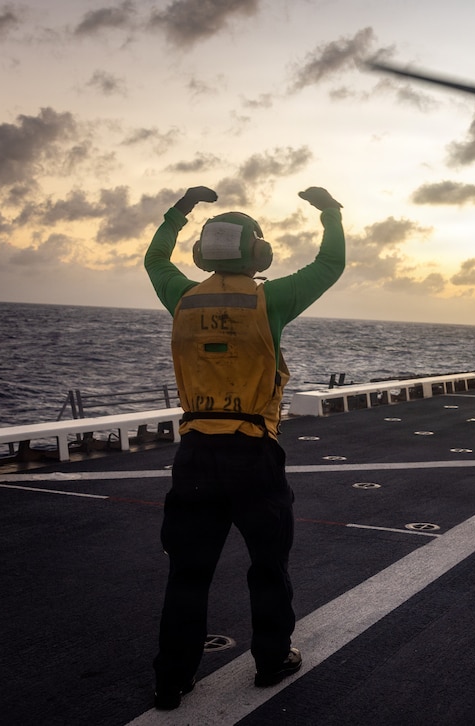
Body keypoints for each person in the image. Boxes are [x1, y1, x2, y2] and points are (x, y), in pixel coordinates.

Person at [144, 184, 345, 710]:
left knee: (188, 573)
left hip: (194, 454)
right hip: (253, 452)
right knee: (267, 565)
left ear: (202, 252)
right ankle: (272, 659)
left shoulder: (181, 295)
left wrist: (179, 211)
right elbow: (330, 265)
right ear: (259, 252)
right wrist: (329, 212)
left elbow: (154, 260)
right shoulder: (268, 299)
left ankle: (171, 680)